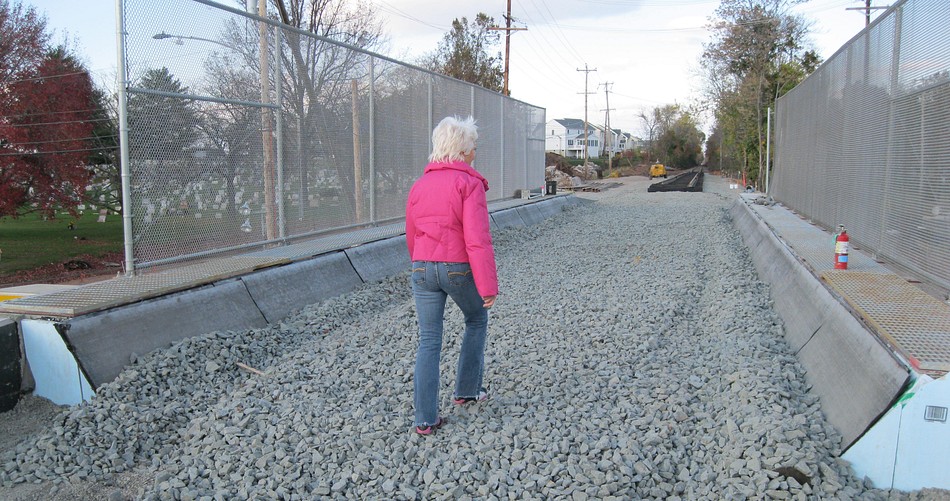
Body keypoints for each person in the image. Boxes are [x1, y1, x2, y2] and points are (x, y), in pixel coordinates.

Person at [405, 115, 499, 436]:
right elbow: (477, 239)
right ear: (462, 149)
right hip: (456, 267)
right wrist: (487, 287)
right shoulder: (469, 183)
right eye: (472, 143)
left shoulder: (419, 185)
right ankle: (467, 390)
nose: (475, 148)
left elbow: (411, 233)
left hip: (422, 266)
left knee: (428, 340)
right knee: (476, 318)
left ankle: (425, 419)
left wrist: (421, 266)